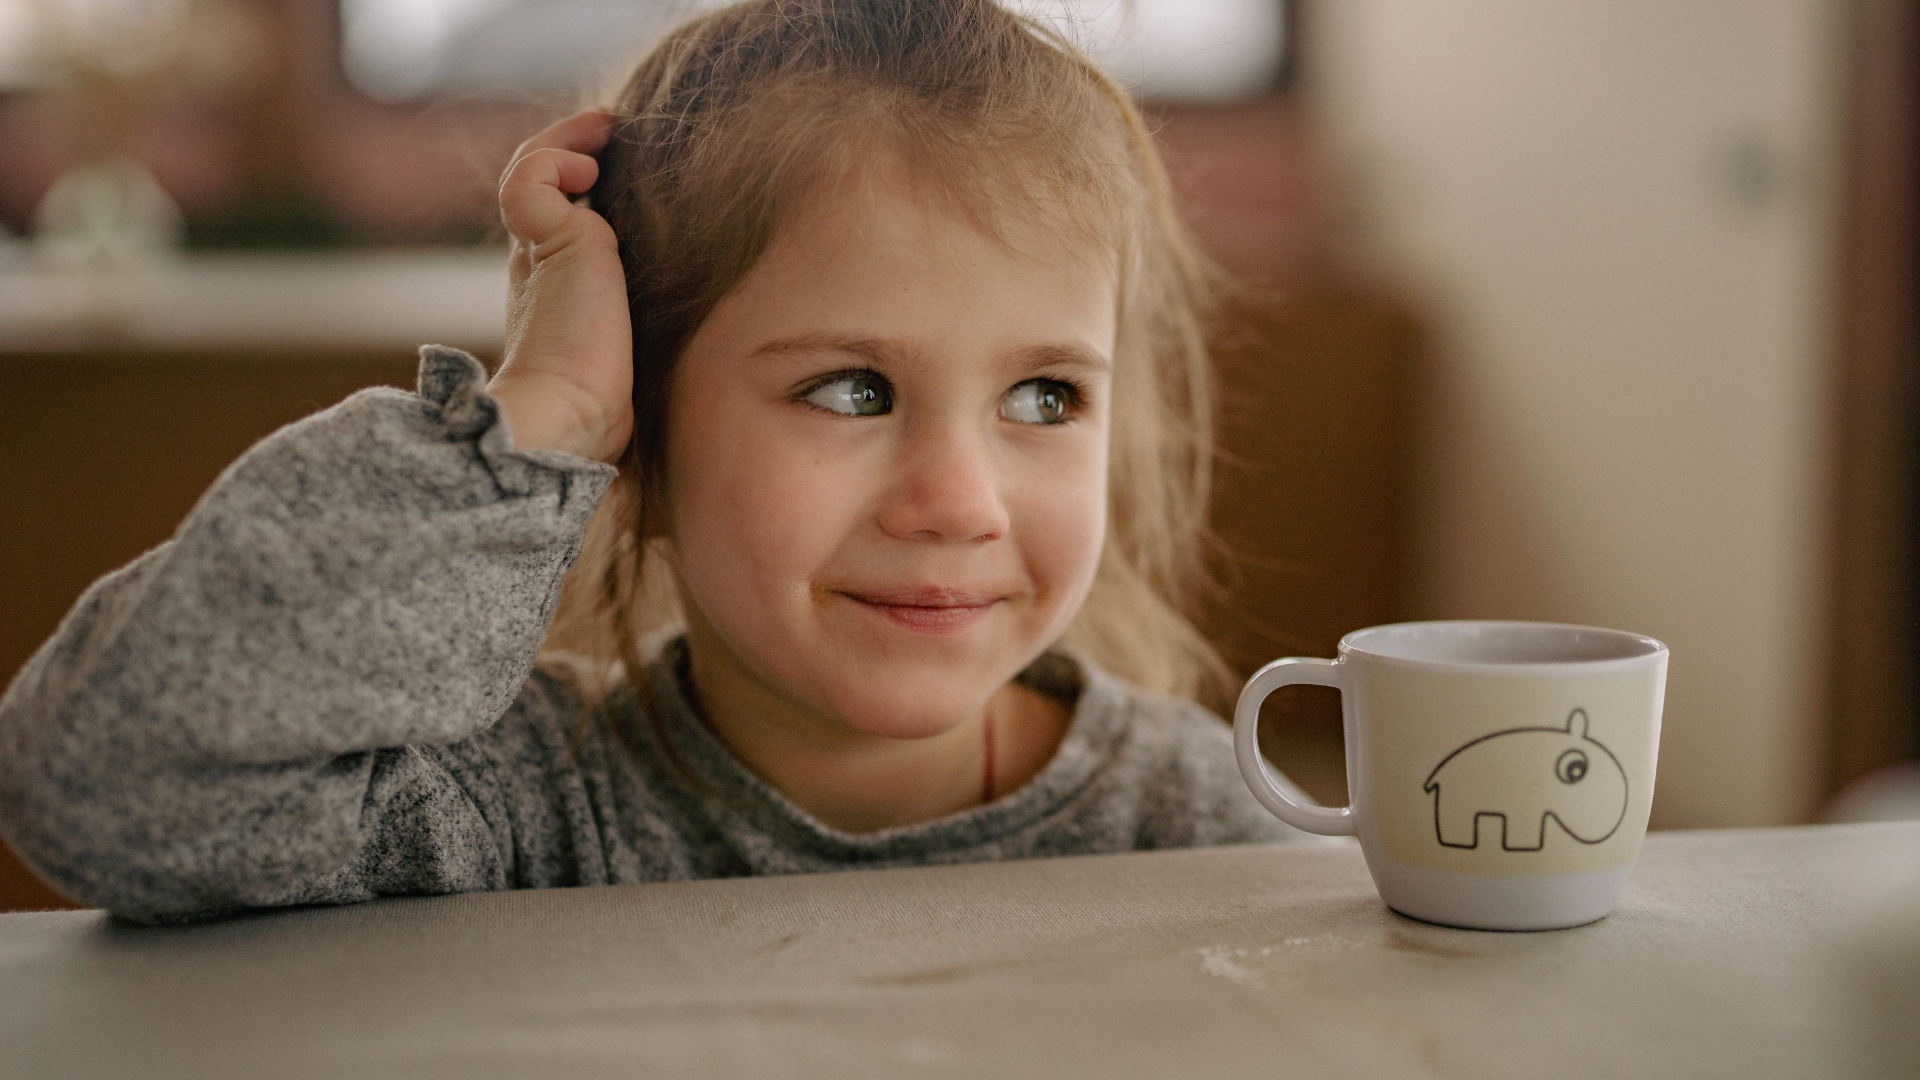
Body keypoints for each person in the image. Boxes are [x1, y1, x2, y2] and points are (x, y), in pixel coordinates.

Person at [0, 0, 1318, 925]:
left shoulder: (1185, 816)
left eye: (1044, 394)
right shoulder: (525, 813)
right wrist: (543, 417)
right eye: (853, 389)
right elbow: (96, 783)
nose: (959, 502)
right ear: (646, 435)